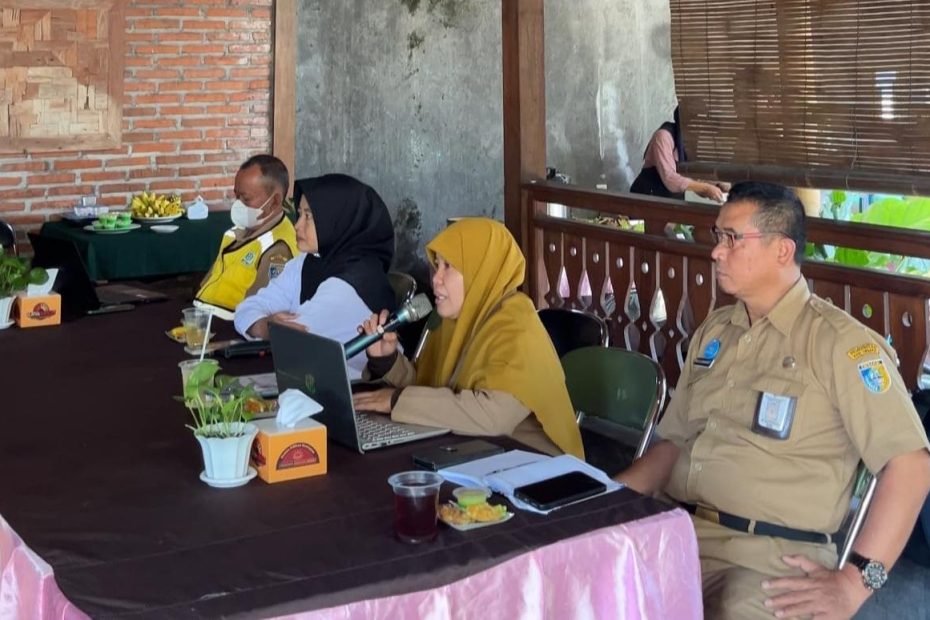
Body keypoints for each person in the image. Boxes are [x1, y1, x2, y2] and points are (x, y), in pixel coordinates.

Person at [616, 182, 930, 619]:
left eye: (732, 239)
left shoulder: (840, 345)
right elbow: (673, 442)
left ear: (782, 250)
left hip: (768, 559)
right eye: (717, 236)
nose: (716, 252)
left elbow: (911, 465)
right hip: (675, 534)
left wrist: (855, 583)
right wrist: (604, 504)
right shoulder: (716, 331)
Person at [351, 218, 584, 458]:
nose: (435, 279)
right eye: (437, 265)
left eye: (449, 266)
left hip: (538, 469)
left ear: (481, 270)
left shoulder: (518, 328)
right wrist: (387, 361)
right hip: (482, 454)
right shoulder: (457, 319)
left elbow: (491, 417)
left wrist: (398, 401)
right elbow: (431, 390)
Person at [234, 174, 396, 379]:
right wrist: (267, 327)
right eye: (300, 214)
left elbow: (292, 337)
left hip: (352, 388)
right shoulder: (308, 262)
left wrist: (268, 327)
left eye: (309, 216)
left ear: (337, 220)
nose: (297, 225)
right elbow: (246, 309)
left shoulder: (353, 280)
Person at [195, 155, 299, 319]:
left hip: (230, 326)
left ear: (274, 201)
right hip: (202, 318)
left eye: (246, 198)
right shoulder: (236, 233)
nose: (238, 205)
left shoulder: (278, 248)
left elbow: (259, 312)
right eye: (237, 196)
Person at [630, 106, 727, 202]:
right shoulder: (663, 137)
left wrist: (717, 186)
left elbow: (693, 180)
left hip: (671, 199)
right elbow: (670, 178)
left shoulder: (689, 144)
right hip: (647, 197)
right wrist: (706, 188)